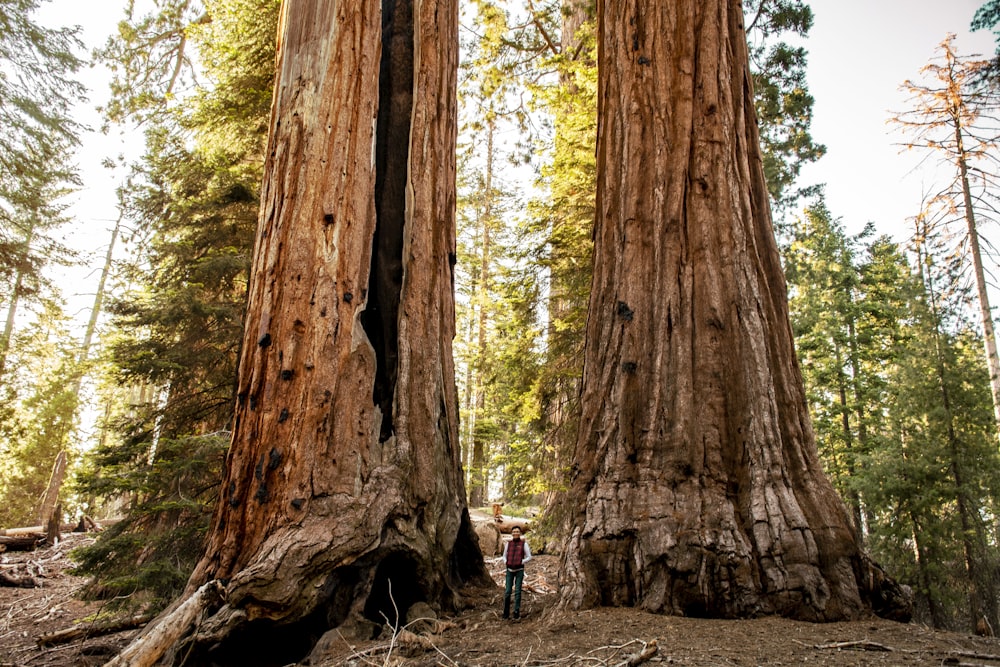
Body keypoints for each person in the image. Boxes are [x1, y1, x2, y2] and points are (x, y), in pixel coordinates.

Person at [501, 525, 531, 620]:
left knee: (518, 591)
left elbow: (529, 556)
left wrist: (521, 562)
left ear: (520, 533)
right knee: (507, 591)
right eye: (514, 532)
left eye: (517, 532)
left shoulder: (524, 544)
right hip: (509, 570)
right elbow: (504, 555)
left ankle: (516, 612)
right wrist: (506, 561)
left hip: (519, 571)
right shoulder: (508, 544)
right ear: (512, 533)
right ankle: (506, 613)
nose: (515, 533)